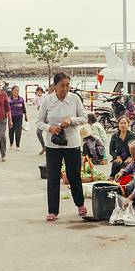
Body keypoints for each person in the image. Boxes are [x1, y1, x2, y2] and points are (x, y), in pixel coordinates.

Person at [36, 72, 88, 222]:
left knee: (74, 176)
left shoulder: (75, 98)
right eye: (62, 85)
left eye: (67, 85)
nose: (65, 89)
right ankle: (53, 210)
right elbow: (39, 121)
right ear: (55, 86)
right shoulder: (47, 100)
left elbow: (84, 118)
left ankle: (80, 204)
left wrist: (71, 120)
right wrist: (50, 128)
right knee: (53, 177)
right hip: (53, 145)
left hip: (72, 143)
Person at [8, 85, 27, 150]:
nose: (17, 92)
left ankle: (17, 145)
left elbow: (23, 108)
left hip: (19, 117)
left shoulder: (21, 99)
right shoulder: (9, 99)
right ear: (12, 91)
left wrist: (26, 116)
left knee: (18, 131)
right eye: (15, 91)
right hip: (11, 117)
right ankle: (11, 143)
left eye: (18, 91)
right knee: (11, 131)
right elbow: (7, 109)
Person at [34, 87, 47, 155]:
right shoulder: (36, 98)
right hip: (41, 117)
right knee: (38, 133)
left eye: (40, 91)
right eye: (38, 91)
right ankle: (44, 147)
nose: (39, 93)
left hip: (48, 118)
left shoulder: (45, 97)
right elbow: (36, 105)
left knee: (50, 134)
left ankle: (49, 149)